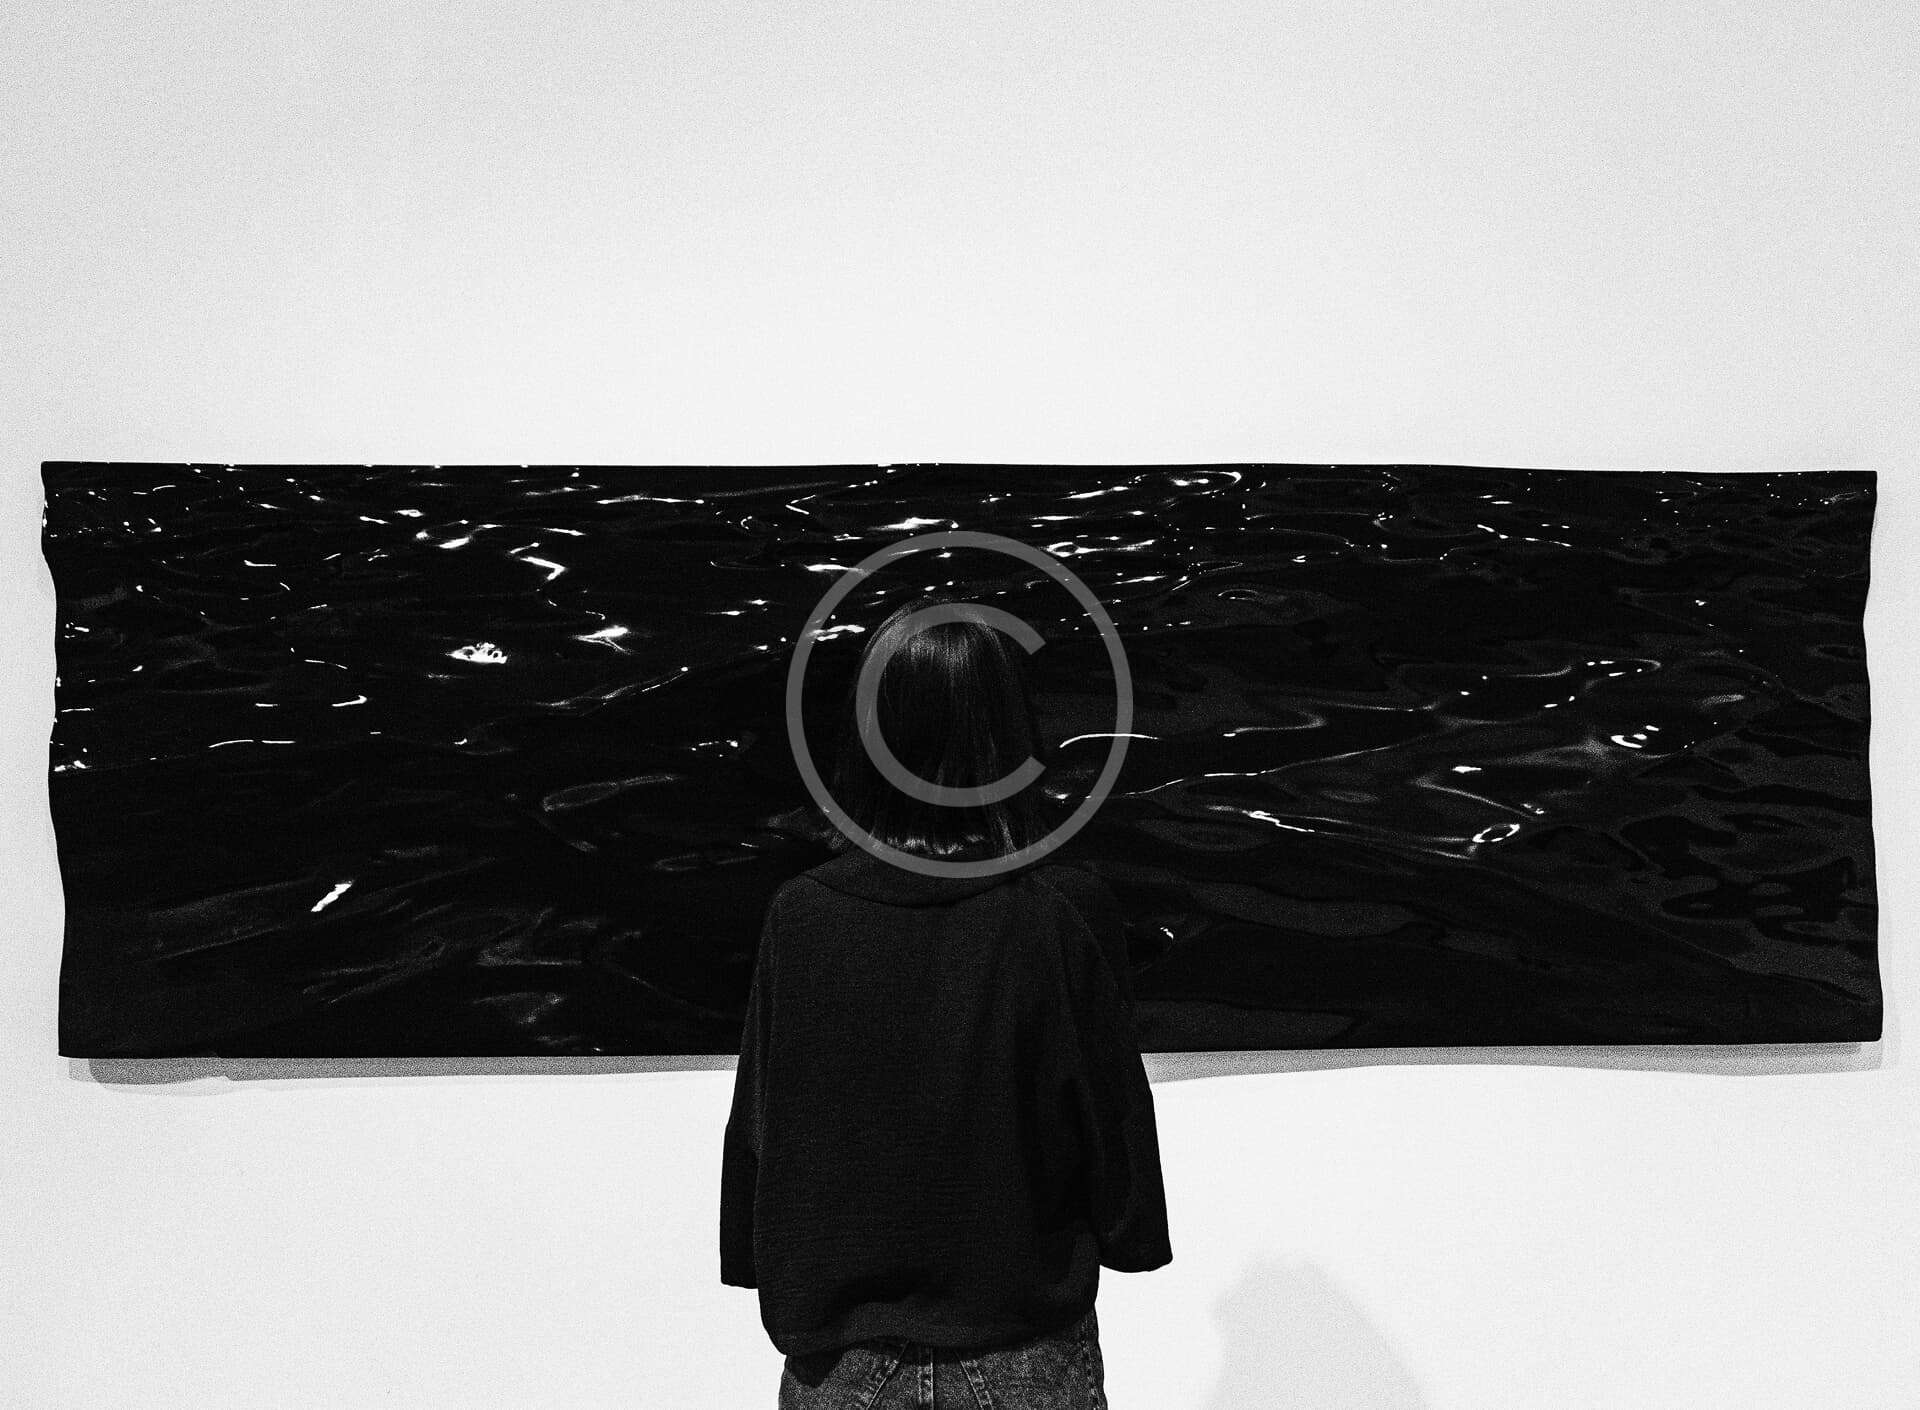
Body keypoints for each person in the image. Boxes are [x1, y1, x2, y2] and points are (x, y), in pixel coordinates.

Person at [721, 594, 1173, 1408]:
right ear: (1008, 733)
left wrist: (749, 1254)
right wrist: (1131, 1232)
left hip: (841, 1358)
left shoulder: (803, 914)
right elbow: (1111, 1120)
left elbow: (763, 1119)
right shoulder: (1061, 912)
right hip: (1022, 1345)